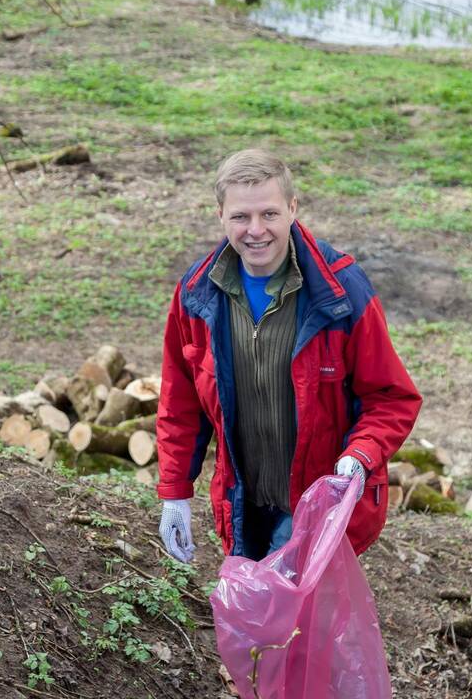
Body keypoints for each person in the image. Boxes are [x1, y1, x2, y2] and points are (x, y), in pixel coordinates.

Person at [156, 148, 422, 562]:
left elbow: (391, 397)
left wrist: (360, 455)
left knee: (283, 620)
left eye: (270, 214)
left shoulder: (341, 292)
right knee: (258, 617)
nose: (255, 230)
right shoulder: (197, 295)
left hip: (317, 506)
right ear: (220, 215)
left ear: (293, 209)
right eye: (240, 217)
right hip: (242, 505)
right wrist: (175, 494)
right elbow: (180, 402)